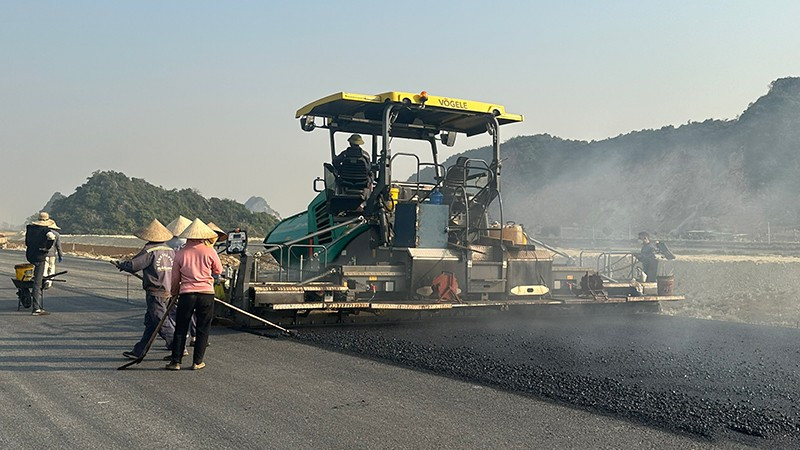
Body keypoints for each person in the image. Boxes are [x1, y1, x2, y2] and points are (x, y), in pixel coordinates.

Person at [116, 219, 179, 359]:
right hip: (169, 290)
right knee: (151, 323)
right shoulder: (170, 250)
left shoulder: (149, 250)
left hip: (156, 292)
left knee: (160, 322)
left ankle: (177, 347)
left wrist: (122, 265)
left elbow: (134, 265)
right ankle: (139, 350)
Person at [166, 219, 222, 371]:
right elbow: (218, 270)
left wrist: (174, 292)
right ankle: (197, 362)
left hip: (187, 294)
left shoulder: (181, 253)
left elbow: (175, 278)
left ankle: (175, 362)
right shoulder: (210, 251)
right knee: (203, 328)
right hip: (206, 293)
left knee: (181, 327)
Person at [25, 212, 57, 315]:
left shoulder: (30, 229)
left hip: (30, 256)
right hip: (39, 257)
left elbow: (27, 243)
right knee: (37, 284)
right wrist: (49, 243)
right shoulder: (46, 231)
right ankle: (36, 308)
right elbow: (50, 240)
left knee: (34, 276)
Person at [43, 221, 63, 289]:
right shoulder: (57, 234)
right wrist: (60, 255)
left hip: (44, 253)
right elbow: (58, 246)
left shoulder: (44, 233)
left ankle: (45, 280)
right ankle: (49, 282)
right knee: (51, 268)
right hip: (52, 254)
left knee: (45, 267)